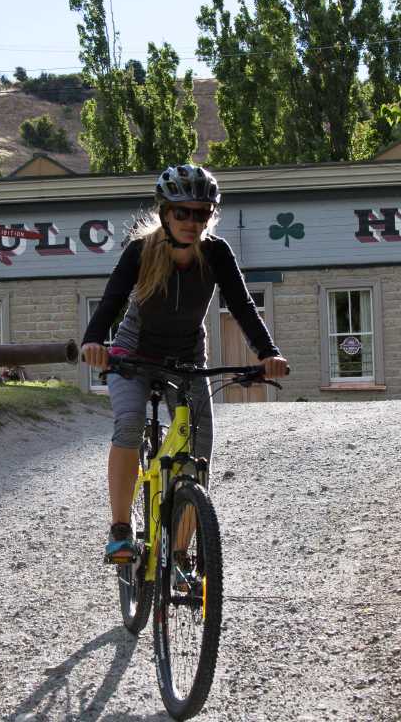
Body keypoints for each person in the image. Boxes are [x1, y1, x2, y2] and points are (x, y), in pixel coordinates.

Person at [80, 163, 289, 563]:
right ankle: (121, 529)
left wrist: (267, 353)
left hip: (188, 360)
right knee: (128, 423)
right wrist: (94, 342)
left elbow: (243, 306)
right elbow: (110, 301)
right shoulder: (141, 251)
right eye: (183, 212)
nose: (192, 222)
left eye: (202, 213)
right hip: (133, 356)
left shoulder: (216, 253)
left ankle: (179, 555)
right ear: (165, 213)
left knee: (199, 452)